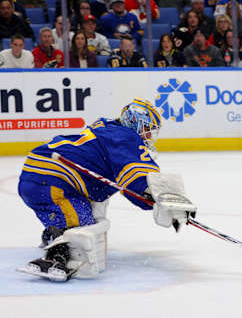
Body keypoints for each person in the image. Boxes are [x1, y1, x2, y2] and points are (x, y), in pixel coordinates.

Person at [17, 98, 196, 282]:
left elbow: (128, 185)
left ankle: (54, 231)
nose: (148, 137)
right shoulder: (126, 137)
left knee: (85, 215)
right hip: (51, 179)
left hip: (43, 174)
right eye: (146, 130)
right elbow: (136, 175)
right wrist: (155, 196)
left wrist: (149, 200)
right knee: (82, 228)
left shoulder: (110, 129)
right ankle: (57, 256)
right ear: (135, 122)